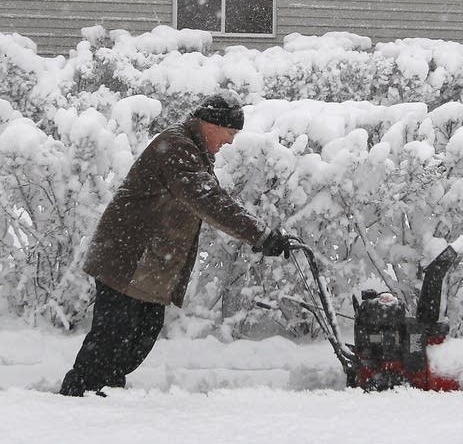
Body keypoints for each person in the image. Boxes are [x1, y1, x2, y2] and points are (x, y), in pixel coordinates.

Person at [59, 90, 290, 396]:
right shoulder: (178, 148)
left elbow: (214, 199)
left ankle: (105, 394)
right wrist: (260, 235)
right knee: (111, 339)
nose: (231, 141)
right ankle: (77, 395)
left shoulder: (194, 153)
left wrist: (263, 235)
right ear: (210, 122)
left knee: (138, 337)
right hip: (127, 256)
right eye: (230, 132)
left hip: (147, 265)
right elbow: (209, 201)